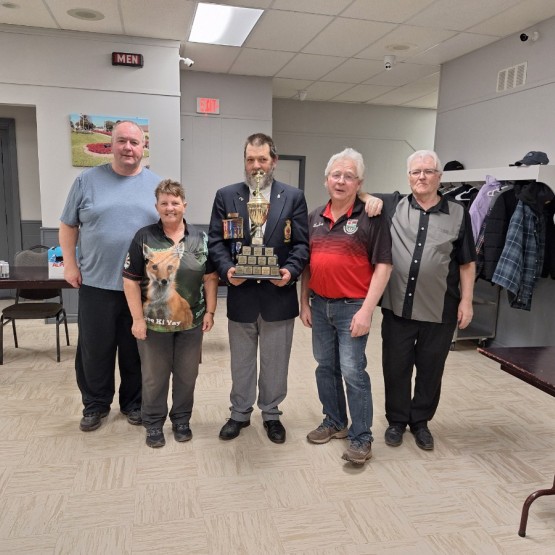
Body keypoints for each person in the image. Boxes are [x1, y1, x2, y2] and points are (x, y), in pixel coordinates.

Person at [59, 120, 161, 432]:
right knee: (95, 349)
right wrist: (70, 264)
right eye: (122, 141)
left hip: (142, 288)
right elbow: (67, 225)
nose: (128, 147)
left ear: (143, 146)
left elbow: (169, 231)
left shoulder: (157, 185)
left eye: (134, 142)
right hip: (96, 283)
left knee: (135, 351)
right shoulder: (86, 181)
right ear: (111, 145)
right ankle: (95, 404)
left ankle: (134, 403)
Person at [208, 133, 309, 444]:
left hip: (278, 295)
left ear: (273, 161)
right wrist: (227, 270)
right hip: (241, 294)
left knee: (276, 361)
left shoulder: (293, 197)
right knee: (241, 360)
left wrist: (290, 272)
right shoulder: (227, 196)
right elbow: (215, 241)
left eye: (262, 159)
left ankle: (271, 413)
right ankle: (239, 412)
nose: (256, 165)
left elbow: (303, 244)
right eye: (250, 159)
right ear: (245, 162)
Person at [300, 148, 393, 465]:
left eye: (349, 176)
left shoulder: (372, 215)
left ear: (359, 182)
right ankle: (335, 421)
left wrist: (367, 310)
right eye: (336, 175)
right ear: (326, 180)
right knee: (325, 367)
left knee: (353, 372)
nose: (341, 181)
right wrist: (305, 302)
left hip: (353, 307)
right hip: (320, 305)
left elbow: (383, 265)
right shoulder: (314, 217)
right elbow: (307, 266)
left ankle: (362, 437)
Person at [378, 150, 476, 450]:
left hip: (441, 308)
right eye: (415, 172)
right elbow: (355, 189)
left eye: (428, 171)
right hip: (398, 307)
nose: (421, 177)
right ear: (408, 176)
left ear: (439, 177)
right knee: (395, 367)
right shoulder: (392, 205)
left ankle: (420, 422)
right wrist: (369, 199)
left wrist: (467, 302)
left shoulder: (459, 213)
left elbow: (467, 263)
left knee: (431, 369)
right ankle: (396, 420)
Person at [122, 179, 218, 448]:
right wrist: (137, 319)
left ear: (184, 205)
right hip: (153, 324)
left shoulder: (200, 238)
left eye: (175, 202)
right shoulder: (144, 237)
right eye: (164, 203)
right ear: (157, 207)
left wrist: (210, 311)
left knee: (187, 375)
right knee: (154, 376)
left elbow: (210, 277)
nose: (170, 207)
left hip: (191, 322)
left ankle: (181, 420)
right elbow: (129, 280)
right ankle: (153, 423)